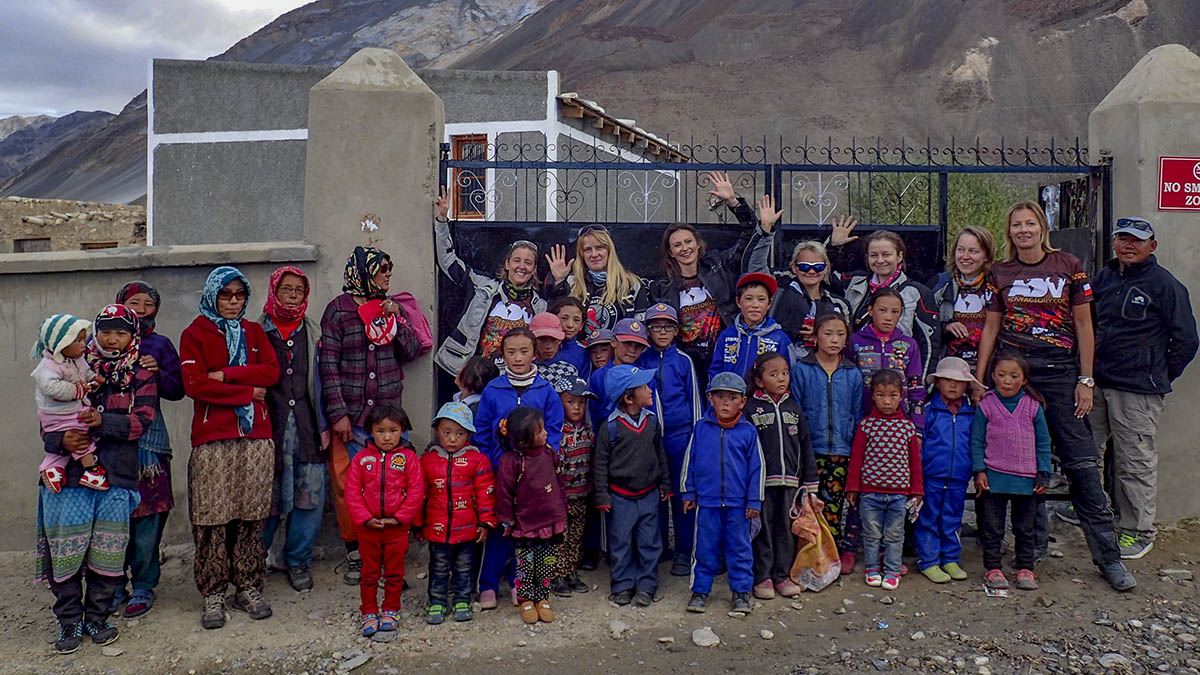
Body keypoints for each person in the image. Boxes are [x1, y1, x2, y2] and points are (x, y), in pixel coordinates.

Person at [975, 200, 1136, 591]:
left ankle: (1109, 560)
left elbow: (1084, 326)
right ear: (1009, 231)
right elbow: (991, 328)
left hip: (1062, 375)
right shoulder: (999, 272)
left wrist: (1086, 379)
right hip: (1014, 375)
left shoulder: (1069, 265)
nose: (1023, 230)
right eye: (1016, 225)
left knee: (1082, 466)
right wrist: (980, 381)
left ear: (1041, 228)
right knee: (1008, 462)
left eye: (1030, 223)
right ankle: (1022, 550)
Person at [38, 304, 156, 655]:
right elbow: (47, 416)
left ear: (133, 335)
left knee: (107, 552)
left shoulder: (142, 372)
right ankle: (69, 620)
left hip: (116, 474)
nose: (112, 338)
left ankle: (98, 617)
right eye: (106, 331)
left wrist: (101, 424)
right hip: (69, 476)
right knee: (67, 551)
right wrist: (59, 440)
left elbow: (142, 421)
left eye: (121, 332)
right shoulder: (70, 365)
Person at [1091, 217, 1198, 559]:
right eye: (1123, 238)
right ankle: (1094, 513)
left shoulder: (1165, 285)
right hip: (1096, 384)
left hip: (1138, 390)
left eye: (1137, 240)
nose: (1129, 245)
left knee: (1134, 462)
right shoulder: (1105, 278)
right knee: (1087, 455)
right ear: (1114, 243)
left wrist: (1157, 373)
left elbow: (1186, 340)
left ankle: (1137, 530)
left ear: (1152, 245)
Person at [181, 266, 280, 629]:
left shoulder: (255, 332)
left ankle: (249, 585)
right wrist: (245, 393)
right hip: (213, 436)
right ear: (212, 296)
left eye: (240, 295)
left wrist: (226, 374)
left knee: (252, 512)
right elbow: (194, 384)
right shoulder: (195, 333)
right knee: (212, 514)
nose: (234, 302)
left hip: (255, 436)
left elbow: (270, 372)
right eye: (226, 294)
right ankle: (213, 592)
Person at [321, 245, 423, 585]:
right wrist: (338, 414)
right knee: (352, 487)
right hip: (352, 417)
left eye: (388, 272)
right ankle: (357, 554)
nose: (387, 277)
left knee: (392, 485)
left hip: (388, 418)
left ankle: (390, 557)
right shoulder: (338, 311)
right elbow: (329, 367)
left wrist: (397, 319)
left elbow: (410, 351)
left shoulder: (388, 308)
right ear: (363, 272)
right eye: (382, 271)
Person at [650, 172, 777, 381]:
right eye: (677, 245)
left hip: (723, 351)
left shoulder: (718, 265)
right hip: (685, 358)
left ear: (698, 244)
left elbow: (747, 238)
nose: (685, 248)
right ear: (670, 252)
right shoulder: (663, 286)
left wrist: (733, 201)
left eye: (688, 242)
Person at [472, 327, 565, 610]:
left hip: (535, 477)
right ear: (502, 354)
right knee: (501, 528)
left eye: (524, 351)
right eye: (511, 352)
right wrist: (490, 464)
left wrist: (543, 463)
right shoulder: (493, 389)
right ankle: (487, 584)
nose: (518, 357)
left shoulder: (545, 390)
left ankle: (519, 584)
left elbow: (554, 430)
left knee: (528, 532)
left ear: (534, 353)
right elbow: (481, 431)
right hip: (501, 472)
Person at [114, 281, 185, 617]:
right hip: (111, 445)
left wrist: (159, 375)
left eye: (147, 303)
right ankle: (111, 586)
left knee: (148, 518)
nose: (141, 310)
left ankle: (143, 585)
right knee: (112, 520)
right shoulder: (104, 342)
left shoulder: (160, 344)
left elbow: (178, 391)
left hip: (150, 445)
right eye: (134, 302)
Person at [258, 266, 326, 593]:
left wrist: (326, 424)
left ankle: (297, 560)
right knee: (266, 497)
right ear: (275, 291)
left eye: (299, 291)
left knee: (309, 497)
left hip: (308, 428)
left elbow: (323, 384)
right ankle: (254, 561)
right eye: (287, 289)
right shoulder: (257, 332)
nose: (293, 296)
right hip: (268, 429)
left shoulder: (313, 333)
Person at [434, 187, 546, 372]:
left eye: (528, 263)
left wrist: (559, 280)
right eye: (517, 260)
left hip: (517, 379)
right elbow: (448, 262)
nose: (522, 266)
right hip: (477, 375)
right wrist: (442, 220)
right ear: (507, 264)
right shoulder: (483, 285)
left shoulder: (539, 305)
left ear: (534, 270)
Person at [682, 371, 763, 614]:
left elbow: (757, 468)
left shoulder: (748, 431)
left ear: (743, 401)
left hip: (739, 505)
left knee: (739, 549)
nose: (726, 403)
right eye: (720, 397)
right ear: (710, 399)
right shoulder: (701, 428)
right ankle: (700, 591)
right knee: (705, 548)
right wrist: (688, 493)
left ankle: (740, 593)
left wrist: (754, 501)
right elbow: (690, 462)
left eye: (732, 398)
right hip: (707, 503)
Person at [791, 313, 865, 572]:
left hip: (842, 450)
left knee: (833, 506)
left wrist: (854, 445)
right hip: (812, 449)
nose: (834, 340)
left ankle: (831, 556)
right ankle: (808, 555)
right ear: (815, 337)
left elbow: (856, 413)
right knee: (810, 505)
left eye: (840, 334)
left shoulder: (852, 373)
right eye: (828, 333)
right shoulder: (802, 370)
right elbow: (796, 411)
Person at [593, 365, 671, 607]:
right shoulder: (611, 427)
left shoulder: (652, 423)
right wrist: (602, 496)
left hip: (648, 493)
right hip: (620, 497)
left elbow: (660, 454)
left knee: (650, 541)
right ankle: (622, 585)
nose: (650, 390)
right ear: (628, 398)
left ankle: (647, 585)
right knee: (621, 543)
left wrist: (665, 483)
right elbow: (600, 464)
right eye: (644, 387)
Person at [973, 353, 1052, 591]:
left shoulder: (1033, 407)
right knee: (993, 527)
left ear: (1024, 380)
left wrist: (1043, 472)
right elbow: (977, 441)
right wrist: (980, 471)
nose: (1007, 380)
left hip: (1025, 479)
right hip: (994, 478)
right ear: (993, 376)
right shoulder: (986, 405)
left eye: (1014, 376)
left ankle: (1025, 568)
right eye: (1001, 375)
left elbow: (1043, 442)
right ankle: (993, 568)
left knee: (1025, 528)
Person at [344, 403, 424, 637]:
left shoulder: (408, 458)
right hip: (368, 529)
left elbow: (416, 492)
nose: (387, 437)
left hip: (396, 530)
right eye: (380, 431)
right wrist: (365, 519)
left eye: (393, 430)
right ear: (371, 431)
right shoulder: (361, 459)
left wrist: (400, 519)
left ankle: (391, 609)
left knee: (394, 573)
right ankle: (368, 610)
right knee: (369, 573)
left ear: (402, 431)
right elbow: (352, 492)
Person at [636, 302, 702, 576]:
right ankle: (660, 547)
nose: (662, 332)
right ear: (648, 330)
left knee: (682, 493)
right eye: (656, 327)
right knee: (656, 494)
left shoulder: (684, 361)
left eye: (668, 327)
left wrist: (698, 439)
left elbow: (695, 400)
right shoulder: (642, 359)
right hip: (650, 438)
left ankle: (685, 552)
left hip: (681, 436)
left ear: (676, 330)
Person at [747, 352, 817, 600]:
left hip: (790, 483)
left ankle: (782, 575)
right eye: (773, 374)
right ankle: (763, 576)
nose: (781, 379)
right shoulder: (750, 409)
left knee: (786, 529)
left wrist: (810, 483)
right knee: (762, 529)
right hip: (762, 483)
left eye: (785, 373)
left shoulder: (793, 408)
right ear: (758, 380)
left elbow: (805, 445)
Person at [831, 221, 940, 380]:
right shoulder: (855, 284)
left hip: (898, 383)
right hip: (858, 378)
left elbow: (929, 346)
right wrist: (834, 246)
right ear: (867, 258)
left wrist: (922, 386)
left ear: (899, 256)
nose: (880, 260)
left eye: (886, 254)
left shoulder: (918, 292)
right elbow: (820, 276)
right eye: (874, 255)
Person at [420, 401, 496, 625]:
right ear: (437, 432)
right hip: (437, 528)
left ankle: (462, 599)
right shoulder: (428, 461)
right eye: (447, 433)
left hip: (468, 529)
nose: (453, 439)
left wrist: (485, 522)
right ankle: (437, 602)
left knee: (464, 567)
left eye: (459, 433)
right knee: (438, 567)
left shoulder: (478, 460)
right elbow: (420, 494)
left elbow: (486, 493)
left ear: (469, 435)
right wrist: (417, 523)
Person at [846, 369, 922, 591]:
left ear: (901, 396)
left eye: (892, 395)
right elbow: (856, 460)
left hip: (899, 494)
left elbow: (915, 464)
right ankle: (871, 568)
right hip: (870, 493)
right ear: (873, 396)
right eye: (881, 395)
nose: (887, 401)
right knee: (871, 534)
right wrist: (853, 488)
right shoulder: (866, 426)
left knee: (894, 534)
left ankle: (892, 570)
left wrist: (917, 492)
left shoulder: (907, 428)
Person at [495, 406, 569, 624]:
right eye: (540, 432)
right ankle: (526, 599)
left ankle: (543, 598)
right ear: (524, 441)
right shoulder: (512, 461)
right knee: (525, 563)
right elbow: (504, 494)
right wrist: (507, 520)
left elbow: (558, 482)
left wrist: (562, 508)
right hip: (526, 523)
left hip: (550, 520)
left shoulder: (549, 453)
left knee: (546, 560)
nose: (546, 434)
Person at [914, 357, 977, 584]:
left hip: (959, 477)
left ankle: (950, 558)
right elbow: (919, 444)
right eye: (947, 380)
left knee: (952, 518)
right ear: (938, 382)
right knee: (928, 518)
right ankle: (929, 561)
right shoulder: (928, 412)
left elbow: (976, 443)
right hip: (931, 476)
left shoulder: (971, 413)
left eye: (959, 381)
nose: (953, 385)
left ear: (967, 385)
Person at [31, 314, 103, 492]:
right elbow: (51, 387)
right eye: (77, 340)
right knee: (81, 434)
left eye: (82, 339)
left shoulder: (76, 360)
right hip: (57, 413)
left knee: (78, 435)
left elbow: (85, 372)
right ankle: (91, 471)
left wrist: (93, 378)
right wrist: (77, 390)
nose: (83, 344)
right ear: (60, 344)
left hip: (71, 409)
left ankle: (53, 469)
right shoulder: (48, 367)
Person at [545, 224, 651, 332]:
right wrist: (558, 282)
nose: (594, 254)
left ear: (610, 250)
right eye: (588, 249)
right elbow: (553, 323)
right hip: (579, 348)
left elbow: (641, 330)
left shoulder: (632, 284)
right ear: (582, 254)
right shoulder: (571, 283)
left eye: (600, 247)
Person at [847, 287, 926, 429]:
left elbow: (916, 387)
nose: (888, 317)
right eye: (882, 310)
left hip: (899, 421)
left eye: (895, 312)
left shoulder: (909, 345)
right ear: (870, 310)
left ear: (901, 313)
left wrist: (917, 425)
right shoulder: (855, 341)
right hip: (863, 419)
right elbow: (847, 383)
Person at [550, 377, 596, 597]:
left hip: (582, 494)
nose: (577, 407)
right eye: (570, 402)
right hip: (562, 497)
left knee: (576, 536)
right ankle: (555, 574)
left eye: (582, 402)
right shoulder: (557, 434)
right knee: (560, 536)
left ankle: (570, 571)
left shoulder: (588, 431)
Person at [769, 240, 851, 363]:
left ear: (826, 268)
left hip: (824, 367)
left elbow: (847, 340)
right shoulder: (779, 293)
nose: (811, 272)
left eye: (818, 267)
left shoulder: (838, 303)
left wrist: (821, 336)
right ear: (794, 268)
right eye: (804, 267)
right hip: (783, 365)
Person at [930, 227, 997, 366]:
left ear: (986, 256)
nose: (965, 256)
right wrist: (946, 327)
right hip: (948, 364)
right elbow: (925, 327)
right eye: (960, 250)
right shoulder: (939, 284)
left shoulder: (997, 285)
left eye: (973, 251)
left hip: (989, 364)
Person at [709, 272, 791, 381]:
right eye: (748, 299)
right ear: (738, 302)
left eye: (761, 299)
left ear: (769, 304)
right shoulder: (726, 336)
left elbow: (788, 374)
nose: (755, 305)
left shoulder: (780, 339)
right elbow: (716, 370)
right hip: (731, 396)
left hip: (762, 397)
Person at [588, 318, 650, 424]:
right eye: (627, 344)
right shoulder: (598, 377)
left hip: (640, 437)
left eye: (638, 346)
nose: (632, 350)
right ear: (613, 342)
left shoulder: (646, 377)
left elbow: (652, 416)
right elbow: (593, 414)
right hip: (607, 437)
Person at [530, 312, 580, 389]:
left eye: (553, 340)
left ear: (560, 340)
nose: (548, 346)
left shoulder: (568, 371)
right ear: (532, 340)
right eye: (542, 339)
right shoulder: (524, 368)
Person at [549, 296, 590, 376]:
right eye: (564, 318)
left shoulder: (584, 354)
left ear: (581, 325)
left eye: (576, 320)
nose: (570, 325)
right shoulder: (541, 348)